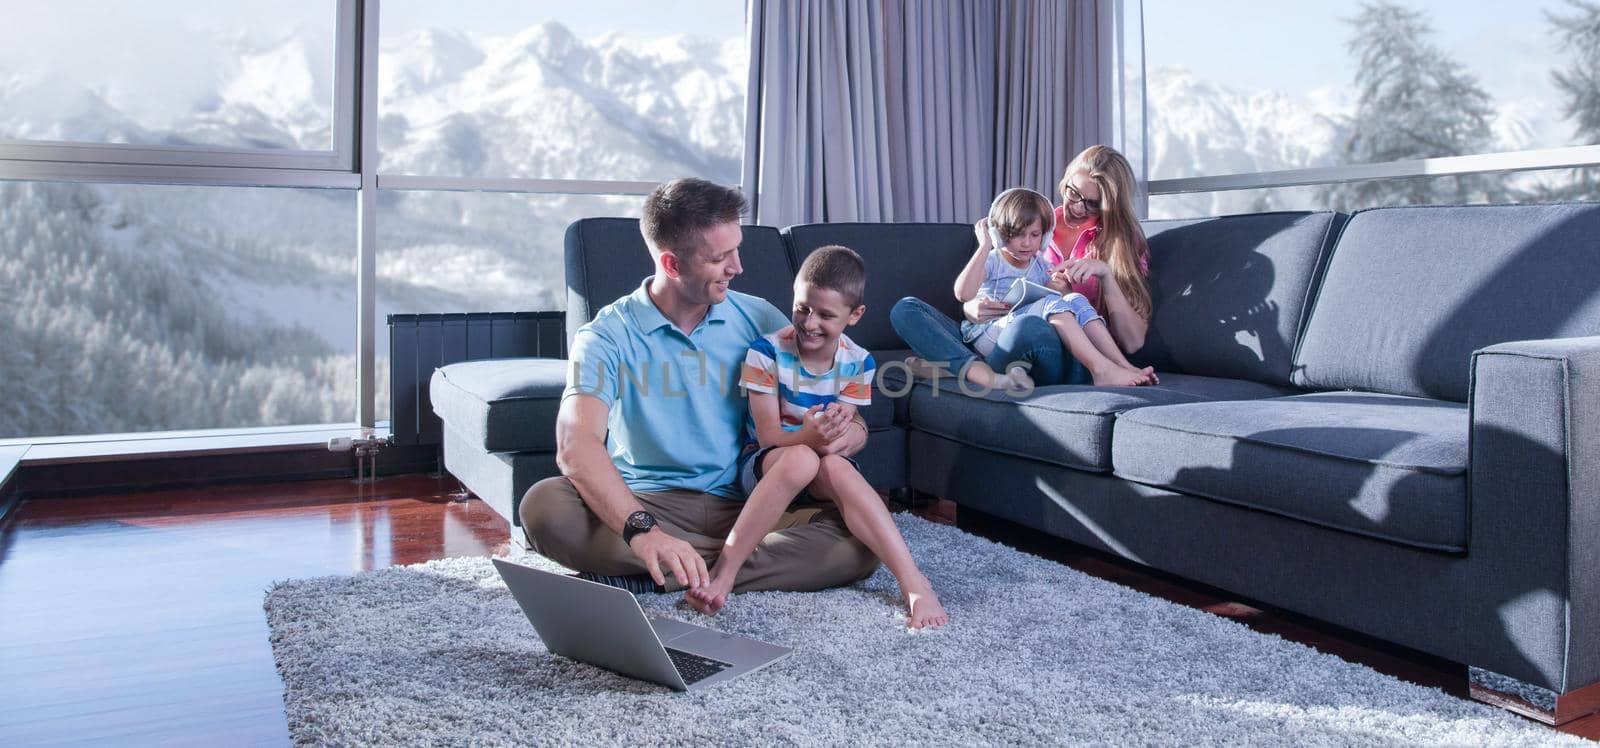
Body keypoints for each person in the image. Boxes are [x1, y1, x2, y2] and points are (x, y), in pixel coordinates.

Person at [518, 178, 880, 602]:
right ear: (672, 265)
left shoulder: (761, 319)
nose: (737, 267)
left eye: (737, 250)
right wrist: (642, 532)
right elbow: (575, 445)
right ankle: (694, 563)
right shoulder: (605, 336)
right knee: (544, 508)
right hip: (649, 501)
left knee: (862, 543)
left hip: (748, 505)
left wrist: (853, 431)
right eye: (720, 257)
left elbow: (830, 403)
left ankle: (661, 573)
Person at [686, 246, 949, 629]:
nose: (810, 323)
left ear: (854, 315)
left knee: (837, 469)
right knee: (801, 458)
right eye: (802, 308)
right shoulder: (765, 353)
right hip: (769, 463)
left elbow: (848, 424)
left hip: (823, 463)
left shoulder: (859, 361)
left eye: (826, 315)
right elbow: (768, 436)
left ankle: (914, 583)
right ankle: (726, 571)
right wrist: (809, 437)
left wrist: (842, 427)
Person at [889, 144, 1154, 390]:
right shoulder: (1036, 221)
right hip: (996, 331)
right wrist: (971, 309)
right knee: (906, 309)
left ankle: (1112, 369)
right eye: (1073, 193)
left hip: (1057, 346)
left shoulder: (1123, 241)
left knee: (1030, 326)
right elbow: (972, 291)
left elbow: (1133, 342)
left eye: (1092, 203)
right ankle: (976, 372)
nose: (1076, 207)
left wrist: (1105, 276)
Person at [955, 188, 1155, 387]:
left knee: (1075, 299)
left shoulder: (1039, 264)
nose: (1026, 243)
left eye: (1034, 235)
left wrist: (1063, 289)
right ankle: (1100, 369)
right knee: (1051, 302)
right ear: (999, 235)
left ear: (1044, 237)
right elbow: (963, 294)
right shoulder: (992, 261)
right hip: (989, 335)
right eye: (1018, 235)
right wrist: (984, 247)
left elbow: (1062, 300)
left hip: (1022, 322)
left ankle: (1122, 365)